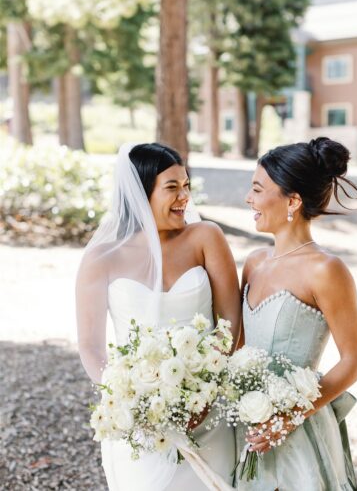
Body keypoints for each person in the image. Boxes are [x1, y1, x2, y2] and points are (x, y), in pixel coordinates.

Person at [76, 142, 241, 491]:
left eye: (186, 186)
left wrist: (205, 394)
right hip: (141, 419)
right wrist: (132, 401)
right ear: (141, 192)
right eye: (172, 188)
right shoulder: (102, 257)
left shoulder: (205, 238)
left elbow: (232, 325)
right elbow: (91, 347)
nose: (184, 197)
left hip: (209, 412)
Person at [236, 137, 357, 490]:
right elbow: (240, 348)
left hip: (300, 428)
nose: (249, 198)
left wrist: (288, 418)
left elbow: (353, 360)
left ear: (292, 200)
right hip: (248, 424)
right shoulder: (253, 262)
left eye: (257, 189)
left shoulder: (326, 270)